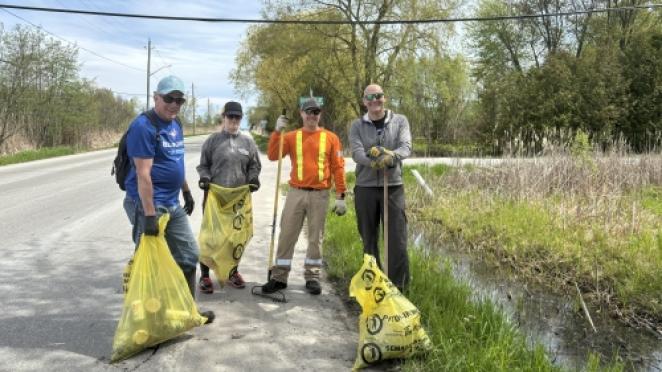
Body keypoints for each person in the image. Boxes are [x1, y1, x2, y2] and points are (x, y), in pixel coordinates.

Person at [122, 75, 214, 323]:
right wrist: (150, 216)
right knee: (150, 264)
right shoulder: (144, 126)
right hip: (148, 204)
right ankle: (149, 322)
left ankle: (187, 311)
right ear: (156, 97)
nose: (174, 104)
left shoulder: (176, 124)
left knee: (188, 255)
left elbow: (176, 162)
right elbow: (143, 175)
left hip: (172, 202)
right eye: (169, 98)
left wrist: (185, 190)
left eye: (179, 100)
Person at [261, 98, 347, 295]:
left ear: (320, 114)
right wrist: (276, 132)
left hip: (321, 195)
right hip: (296, 193)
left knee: (316, 238)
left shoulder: (331, 138)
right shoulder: (291, 136)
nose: (312, 116)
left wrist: (341, 195)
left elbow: (338, 167)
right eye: (308, 112)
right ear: (301, 113)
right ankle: (279, 277)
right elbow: (273, 155)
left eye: (315, 112)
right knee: (286, 235)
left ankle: (313, 277)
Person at [348, 84, 412, 292]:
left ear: (384, 98)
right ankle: (374, 285)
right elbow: (357, 153)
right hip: (365, 188)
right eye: (370, 97)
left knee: (397, 240)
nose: (375, 100)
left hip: (392, 187)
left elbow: (406, 147)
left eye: (379, 96)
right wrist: (373, 162)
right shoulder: (357, 125)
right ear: (364, 101)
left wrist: (391, 155)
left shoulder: (400, 121)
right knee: (369, 238)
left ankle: (398, 289)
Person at [196, 101, 261, 293]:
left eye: (237, 117)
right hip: (215, 199)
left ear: (241, 119)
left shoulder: (248, 142)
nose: (233, 121)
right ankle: (205, 276)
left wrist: (253, 179)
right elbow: (203, 165)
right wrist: (205, 178)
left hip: (238, 201)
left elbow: (254, 165)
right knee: (211, 237)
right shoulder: (212, 141)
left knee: (235, 237)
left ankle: (232, 272)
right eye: (230, 117)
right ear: (223, 118)